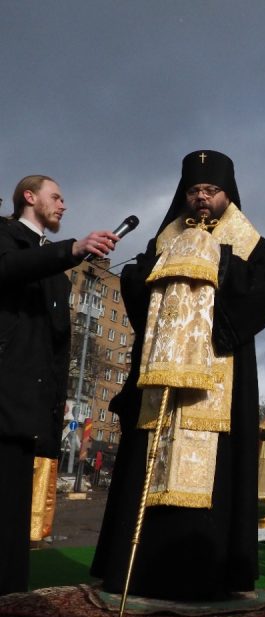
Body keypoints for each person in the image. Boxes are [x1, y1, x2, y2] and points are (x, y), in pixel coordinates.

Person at [91, 150, 265, 601]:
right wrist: (163, 270)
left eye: (211, 191)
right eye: (195, 190)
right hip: (161, 375)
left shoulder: (246, 237)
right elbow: (134, 278)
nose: (202, 198)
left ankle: (208, 576)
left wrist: (218, 262)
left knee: (216, 470)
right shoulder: (168, 234)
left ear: (226, 194)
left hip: (218, 372)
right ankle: (136, 574)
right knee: (147, 460)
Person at [0, 175, 119, 595]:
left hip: (28, 410)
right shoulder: (5, 234)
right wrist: (73, 248)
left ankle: (12, 605)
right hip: (4, 398)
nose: (63, 205)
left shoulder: (55, 268)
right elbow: (9, 268)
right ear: (29, 197)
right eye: (57, 197)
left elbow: (54, 347)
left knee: (13, 524)